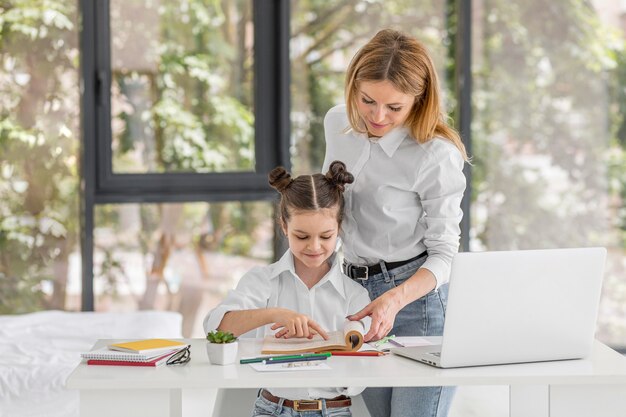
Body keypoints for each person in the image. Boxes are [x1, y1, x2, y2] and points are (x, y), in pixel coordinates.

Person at [322, 28, 469, 417]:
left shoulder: (434, 155)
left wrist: (395, 298)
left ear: (418, 101)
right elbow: (328, 210)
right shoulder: (337, 124)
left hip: (416, 302)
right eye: (367, 100)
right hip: (354, 295)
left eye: (395, 107)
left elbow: (445, 255)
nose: (378, 116)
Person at [203, 161, 371, 417]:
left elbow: (360, 379)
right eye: (302, 236)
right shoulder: (262, 281)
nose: (314, 247)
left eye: (326, 236)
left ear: (339, 228)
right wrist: (275, 314)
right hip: (272, 409)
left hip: (334, 410)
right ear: (284, 226)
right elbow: (215, 328)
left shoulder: (355, 294)